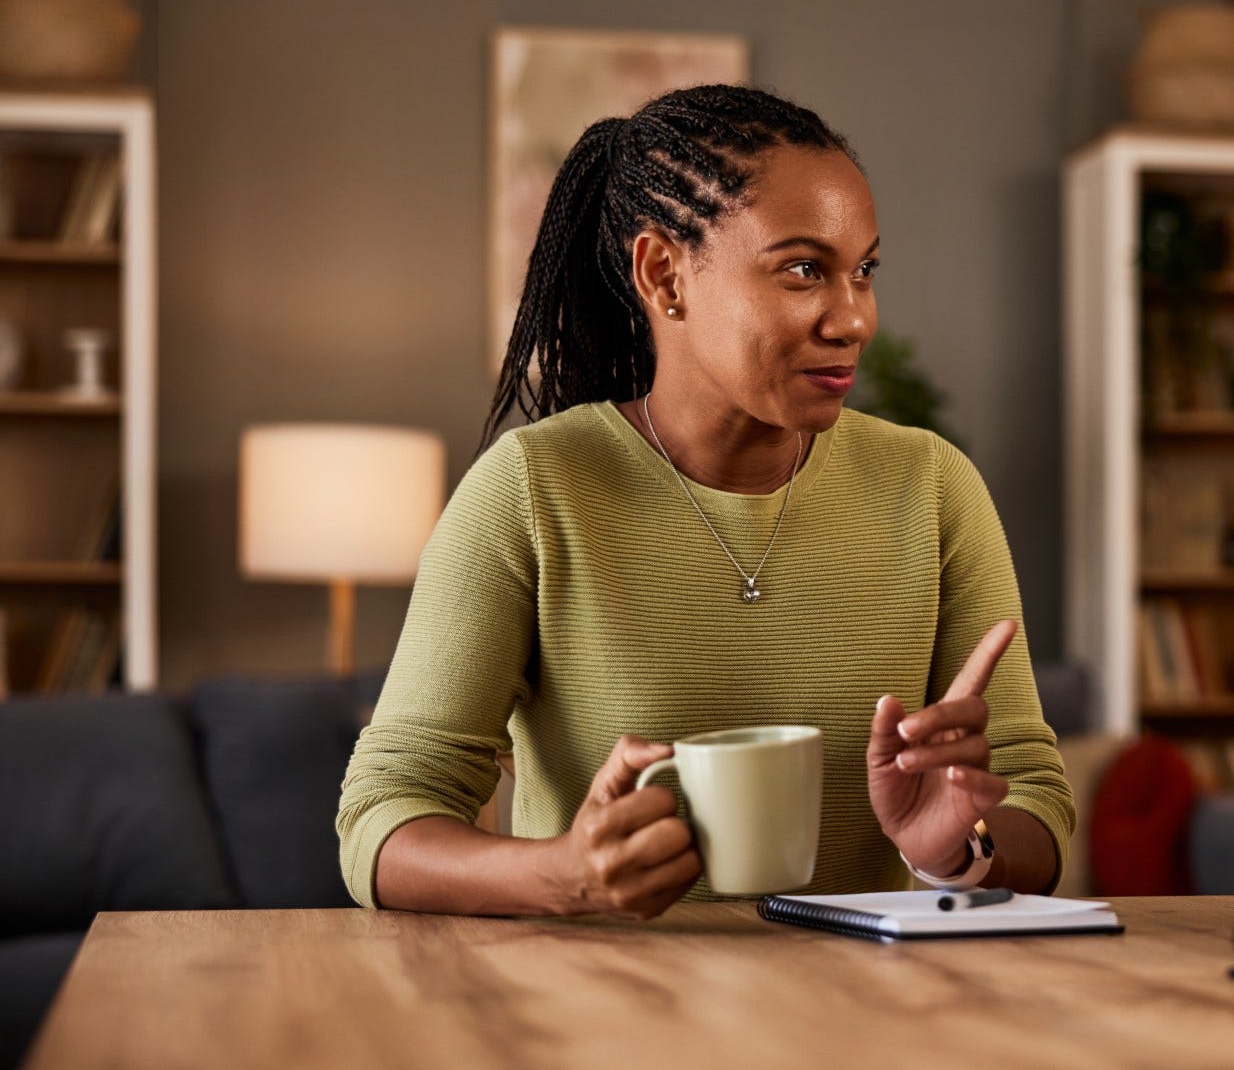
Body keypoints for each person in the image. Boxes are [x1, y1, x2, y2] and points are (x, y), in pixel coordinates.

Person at [337, 85, 1072, 919]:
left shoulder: (932, 487)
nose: (855, 318)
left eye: (864, 271)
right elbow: (381, 820)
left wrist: (958, 851)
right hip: (600, 1026)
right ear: (664, 275)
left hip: (867, 1023)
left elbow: (1036, 803)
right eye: (804, 270)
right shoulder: (533, 491)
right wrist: (562, 874)